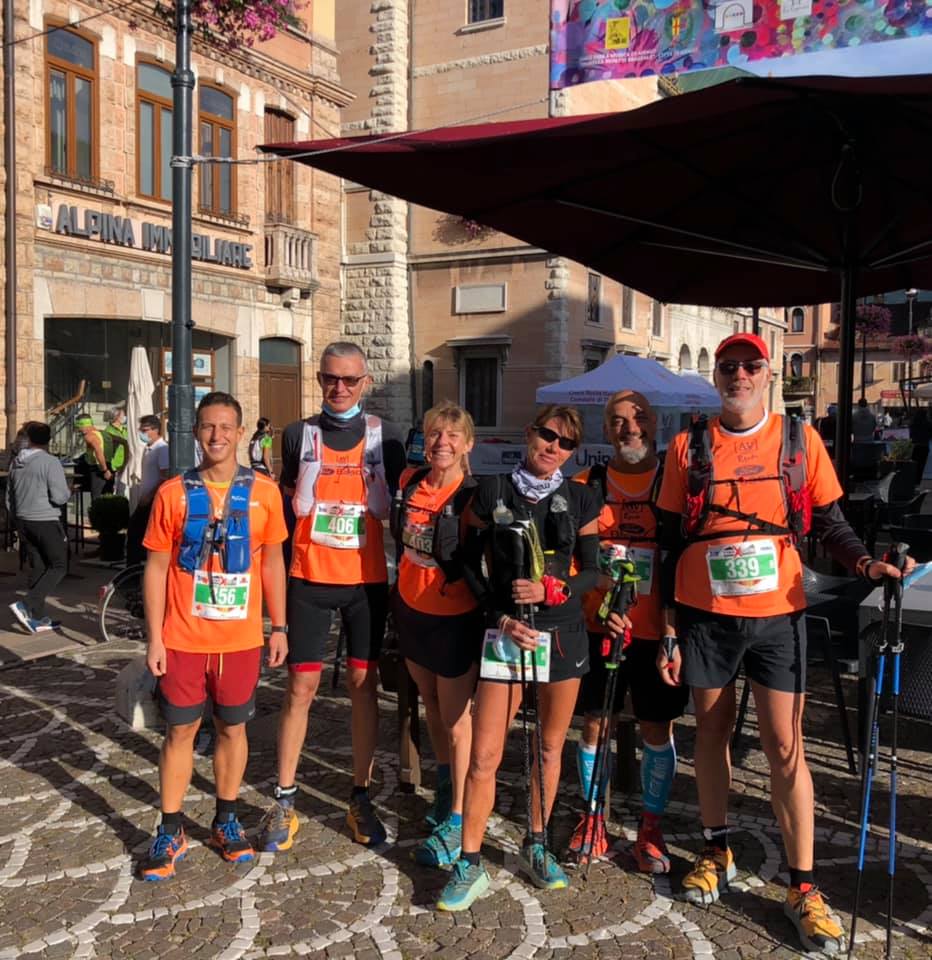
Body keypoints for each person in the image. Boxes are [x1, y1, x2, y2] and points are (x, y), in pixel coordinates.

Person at [655, 332, 913, 956]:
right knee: (710, 734)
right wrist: (667, 630)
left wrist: (864, 564)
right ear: (716, 377)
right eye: (728, 367)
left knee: (785, 745)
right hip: (705, 615)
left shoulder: (799, 440)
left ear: (768, 374)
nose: (739, 375)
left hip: (779, 616)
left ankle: (802, 885)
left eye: (750, 365)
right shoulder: (688, 446)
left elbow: (830, 523)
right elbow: (666, 542)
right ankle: (716, 849)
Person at [436, 404, 602, 911]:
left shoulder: (582, 497)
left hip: (562, 633)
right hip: (507, 632)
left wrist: (556, 588)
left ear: (573, 452)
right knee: (485, 755)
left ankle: (537, 842)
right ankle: (469, 862)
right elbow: (465, 559)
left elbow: (593, 571)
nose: (554, 447)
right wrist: (499, 614)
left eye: (566, 442)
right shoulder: (492, 491)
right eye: (548, 435)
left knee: (549, 748)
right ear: (530, 433)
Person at [258, 342, 405, 853]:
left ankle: (360, 796)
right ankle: (284, 798)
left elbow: (405, 514)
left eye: (349, 379)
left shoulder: (387, 438)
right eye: (329, 378)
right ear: (319, 379)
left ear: (365, 382)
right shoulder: (298, 433)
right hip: (309, 579)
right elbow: (282, 514)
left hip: (366, 583)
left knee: (364, 687)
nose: (338, 388)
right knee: (300, 688)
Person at [139, 391, 288, 882]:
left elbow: (273, 563)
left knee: (232, 729)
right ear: (196, 432)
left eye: (226, 427)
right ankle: (170, 828)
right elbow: (156, 568)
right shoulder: (173, 493)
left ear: (241, 433)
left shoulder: (266, 493)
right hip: (183, 638)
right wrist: (154, 638)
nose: (217, 435)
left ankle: (226, 820)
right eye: (208, 426)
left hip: (240, 640)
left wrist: (279, 626)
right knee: (179, 731)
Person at [566, 390, 688, 872]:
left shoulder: (673, 483)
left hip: (658, 631)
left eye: (638, 418)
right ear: (605, 429)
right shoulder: (586, 484)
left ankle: (651, 827)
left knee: (658, 727)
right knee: (596, 723)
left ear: (655, 424)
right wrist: (595, 589)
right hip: (600, 626)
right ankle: (593, 817)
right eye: (617, 421)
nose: (629, 428)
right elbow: (569, 558)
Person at [390, 401, 480, 868]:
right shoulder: (410, 482)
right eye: (433, 434)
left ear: (467, 444)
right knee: (431, 705)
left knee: (457, 719)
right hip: (411, 611)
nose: (441, 443)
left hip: (454, 619)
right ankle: (446, 789)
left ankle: (459, 815)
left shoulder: (471, 496)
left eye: (451, 435)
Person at [8, 421, 71, 634]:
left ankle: (37, 618)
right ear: (48, 440)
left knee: (40, 566)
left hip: (23, 520)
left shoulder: (17, 462)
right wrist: (67, 491)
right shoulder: (50, 462)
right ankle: (26, 605)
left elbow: (10, 496)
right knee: (59, 565)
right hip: (45, 519)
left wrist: (17, 518)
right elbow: (60, 496)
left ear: (29, 439)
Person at [126, 415, 169, 566]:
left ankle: (133, 570)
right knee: (137, 534)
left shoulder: (162, 449)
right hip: (146, 498)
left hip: (152, 500)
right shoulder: (148, 449)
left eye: (144, 430)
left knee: (135, 531)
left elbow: (165, 476)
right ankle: (136, 568)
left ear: (155, 430)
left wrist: (150, 496)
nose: (141, 433)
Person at [76, 414, 113, 499]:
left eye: (79, 427)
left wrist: (105, 470)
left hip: (99, 468)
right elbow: (124, 442)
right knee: (108, 497)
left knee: (96, 498)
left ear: (83, 425)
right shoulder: (104, 433)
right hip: (109, 465)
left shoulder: (89, 436)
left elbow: (98, 451)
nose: (78, 430)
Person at [103, 406, 129, 492]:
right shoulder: (108, 431)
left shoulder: (126, 430)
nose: (125, 417)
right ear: (116, 417)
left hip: (125, 464)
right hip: (114, 466)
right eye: (123, 415)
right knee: (115, 491)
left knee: (123, 491)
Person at [909, 405, 931, 483]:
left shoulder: (913, 424)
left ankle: (912, 481)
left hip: (914, 446)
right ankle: (918, 482)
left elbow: (911, 435)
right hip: (924, 446)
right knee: (921, 466)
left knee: (913, 466)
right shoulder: (928, 424)